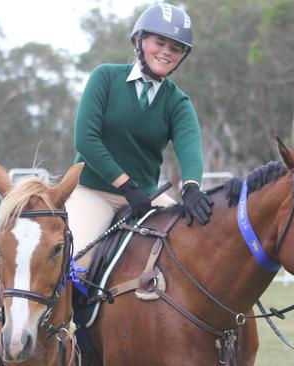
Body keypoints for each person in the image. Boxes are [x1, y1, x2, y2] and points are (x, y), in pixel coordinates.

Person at [68, 3, 213, 254]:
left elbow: (190, 148)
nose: (166, 52)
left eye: (175, 48)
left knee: (193, 249)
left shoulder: (178, 102)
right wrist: (126, 186)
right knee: (78, 259)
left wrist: (191, 187)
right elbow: (86, 140)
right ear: (139, 40)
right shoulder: (105, 77)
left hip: (146, 197)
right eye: (160, 43)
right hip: (93, 191)